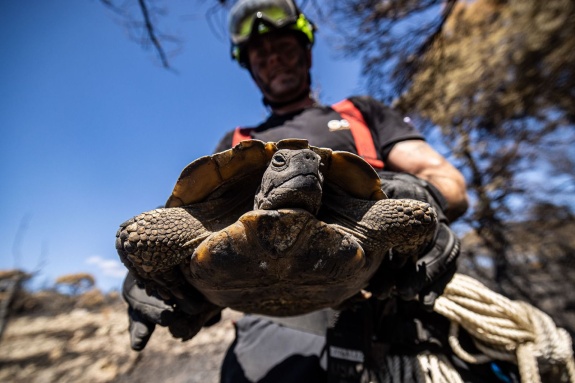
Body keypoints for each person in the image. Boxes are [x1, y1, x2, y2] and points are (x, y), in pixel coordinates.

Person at [122, 0, 498, 382]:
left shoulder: (359, 114)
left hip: (388, 305)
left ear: (305, 51)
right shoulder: (235, 141)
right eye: (262, 55)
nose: (275, 60)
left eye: (284, 48)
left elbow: (450, 183)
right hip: (271, 336)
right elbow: (162, 231)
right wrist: (150, 272)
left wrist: (423, 198)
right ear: (250, 68)